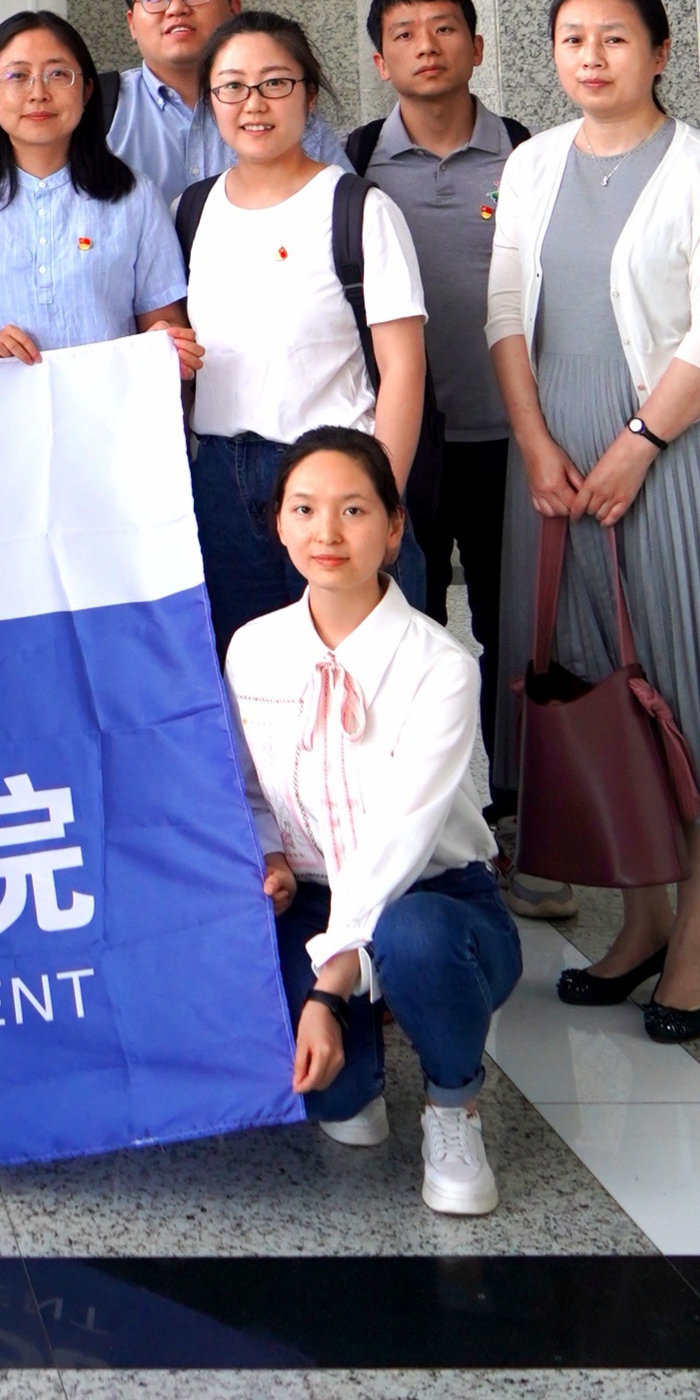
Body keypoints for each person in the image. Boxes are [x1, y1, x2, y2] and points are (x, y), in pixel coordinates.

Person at [487, 0, 700, 1040]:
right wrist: (534, 441)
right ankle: (641, 920)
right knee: (596, 685)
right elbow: (503, 315)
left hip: (673, 460)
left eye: (615, 38)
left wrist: (637, 444)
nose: (590, 57)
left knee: (690, 684)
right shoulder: (532, 163)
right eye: (572, 38)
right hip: (551, 462)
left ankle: (696, 939)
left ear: (660, 51)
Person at [228, 429, 521, 1217]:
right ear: (278, 524)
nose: (326, 531)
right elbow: (247, 788)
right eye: (304, 509)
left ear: (393, 528)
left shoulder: (440, 665)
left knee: (412, 938)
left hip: (437, 899)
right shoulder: (251, 650)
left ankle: (453, 1104)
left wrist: (330, 984)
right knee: (339, 1101)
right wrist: (270, 855)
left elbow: (400, 836)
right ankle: (358, 1064)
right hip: (314, 896)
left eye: (353, 510)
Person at [345, 0, 563, 922]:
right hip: (405, 449)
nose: (425, 46)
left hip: (518, 439)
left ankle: (526, 823)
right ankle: (427, 832)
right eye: (403, 33)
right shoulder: (354, 165)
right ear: (378, 58)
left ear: (477, 47)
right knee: (411, 633)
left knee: (520, 636)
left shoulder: (530, 155)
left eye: (444, 29)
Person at [178, 12, 429, 655]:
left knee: (364, 669)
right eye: (231, 86)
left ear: (308, 94)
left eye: (275, 83)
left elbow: (404, 368)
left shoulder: (358, 208)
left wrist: (381, 499)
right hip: (222, 484)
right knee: (248, 673)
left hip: (335, 477)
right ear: (211, 100)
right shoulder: (191, 210)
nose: (253, 103)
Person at [0, 9, 196, 381]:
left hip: (108, 407)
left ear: (86, 90)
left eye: (58, 74)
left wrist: (166, 339)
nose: (38, 93)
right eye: (17, 76)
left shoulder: (135, 195)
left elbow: (163, 321)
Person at [102, 0, 348, 196]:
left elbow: (344, 204)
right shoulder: (98, 111)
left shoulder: (285, 112)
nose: (176, 8)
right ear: (131, 23)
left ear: (234, 10)